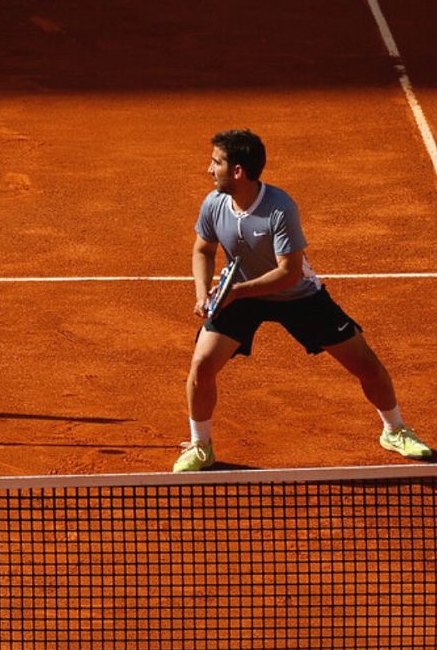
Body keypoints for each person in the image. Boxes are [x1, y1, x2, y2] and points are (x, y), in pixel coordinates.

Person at [175, 128, 432, 472]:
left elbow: (289, 273)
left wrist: (235, 292)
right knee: (202, 365)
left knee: (364, 363)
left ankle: (394, 429)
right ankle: (200, 444)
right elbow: (203, 249)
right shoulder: (214, 203)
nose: (209, 169)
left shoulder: (279, 208)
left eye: (216, 162)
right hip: (240, 292)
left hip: (297, 295)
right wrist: (203, 292)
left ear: (238, 170)